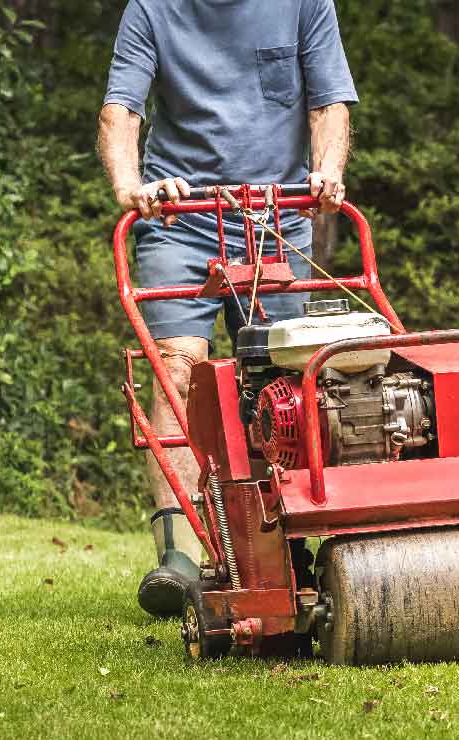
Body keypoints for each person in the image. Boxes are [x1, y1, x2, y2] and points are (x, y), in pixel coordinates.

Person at [97, 0, 357, 617]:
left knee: (284, 380)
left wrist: (325, 174)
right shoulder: (152, 10)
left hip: (277, 213)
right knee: (177, 368)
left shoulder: (303, 4)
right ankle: (180, 554)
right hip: (180, 214)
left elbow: (330, 105)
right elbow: (120, 111)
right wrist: (132, 189)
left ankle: (287, 543)